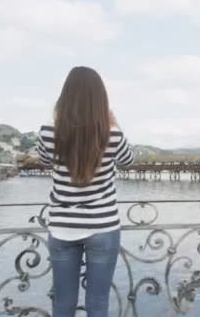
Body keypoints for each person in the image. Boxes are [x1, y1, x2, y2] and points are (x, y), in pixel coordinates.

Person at [36, 66, 134, 316]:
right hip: (103, 226)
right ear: (100, 99)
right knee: (98, 302)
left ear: (65, 96)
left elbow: (45, 161)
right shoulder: (111, 133)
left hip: (62, 227)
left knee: (63, 303)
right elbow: (128, 160)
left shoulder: (49, 131)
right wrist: (114, 121)